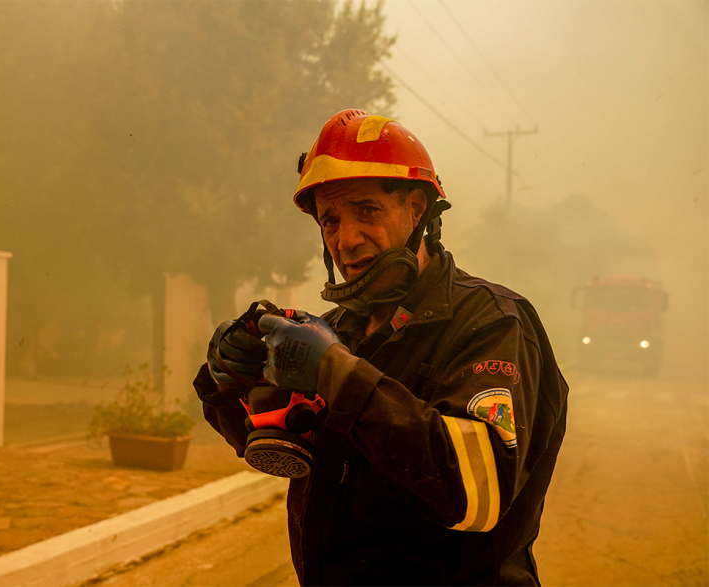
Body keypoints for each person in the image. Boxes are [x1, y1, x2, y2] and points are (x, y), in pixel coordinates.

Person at [193, 109, 569, 586]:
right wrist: (232, 378)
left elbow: (478, 490)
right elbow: (270, 442)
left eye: (366, 210)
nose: (345, 240)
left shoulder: (492, 323)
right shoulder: (336, 334)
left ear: (417, 210)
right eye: (330, 220)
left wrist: (337, 374)